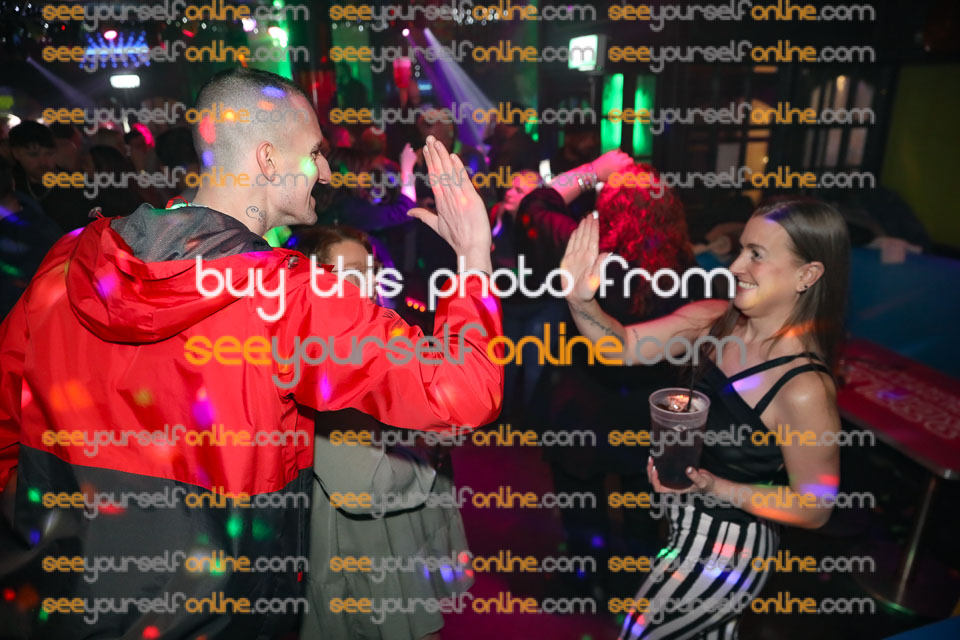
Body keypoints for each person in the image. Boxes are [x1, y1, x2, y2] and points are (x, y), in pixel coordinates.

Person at [0, 67, 502, 640]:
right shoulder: (294, 299)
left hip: (58, 610)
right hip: (222, 619)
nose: (326, 172)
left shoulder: (68, 262)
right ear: (267, 160)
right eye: (315, 153)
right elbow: (464, 391)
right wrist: (474, 255)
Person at [561, 199, 848, 639]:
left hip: (727, 553)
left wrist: (714, 486)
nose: (735, 266)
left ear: (806, 275)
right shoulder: (717, 320)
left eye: (756, 254)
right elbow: (620, 346)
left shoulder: (803, 386)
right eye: (741, 249)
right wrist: (580, 299)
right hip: (684, 529)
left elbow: (816, 507)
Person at [296, 226, 471, 640]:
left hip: (397, 530)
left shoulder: (374, 337)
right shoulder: (324, 358)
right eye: (352, 274)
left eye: (371, 271)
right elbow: (364, 483)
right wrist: (428, 454)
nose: (369, 283)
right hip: (363, 546)